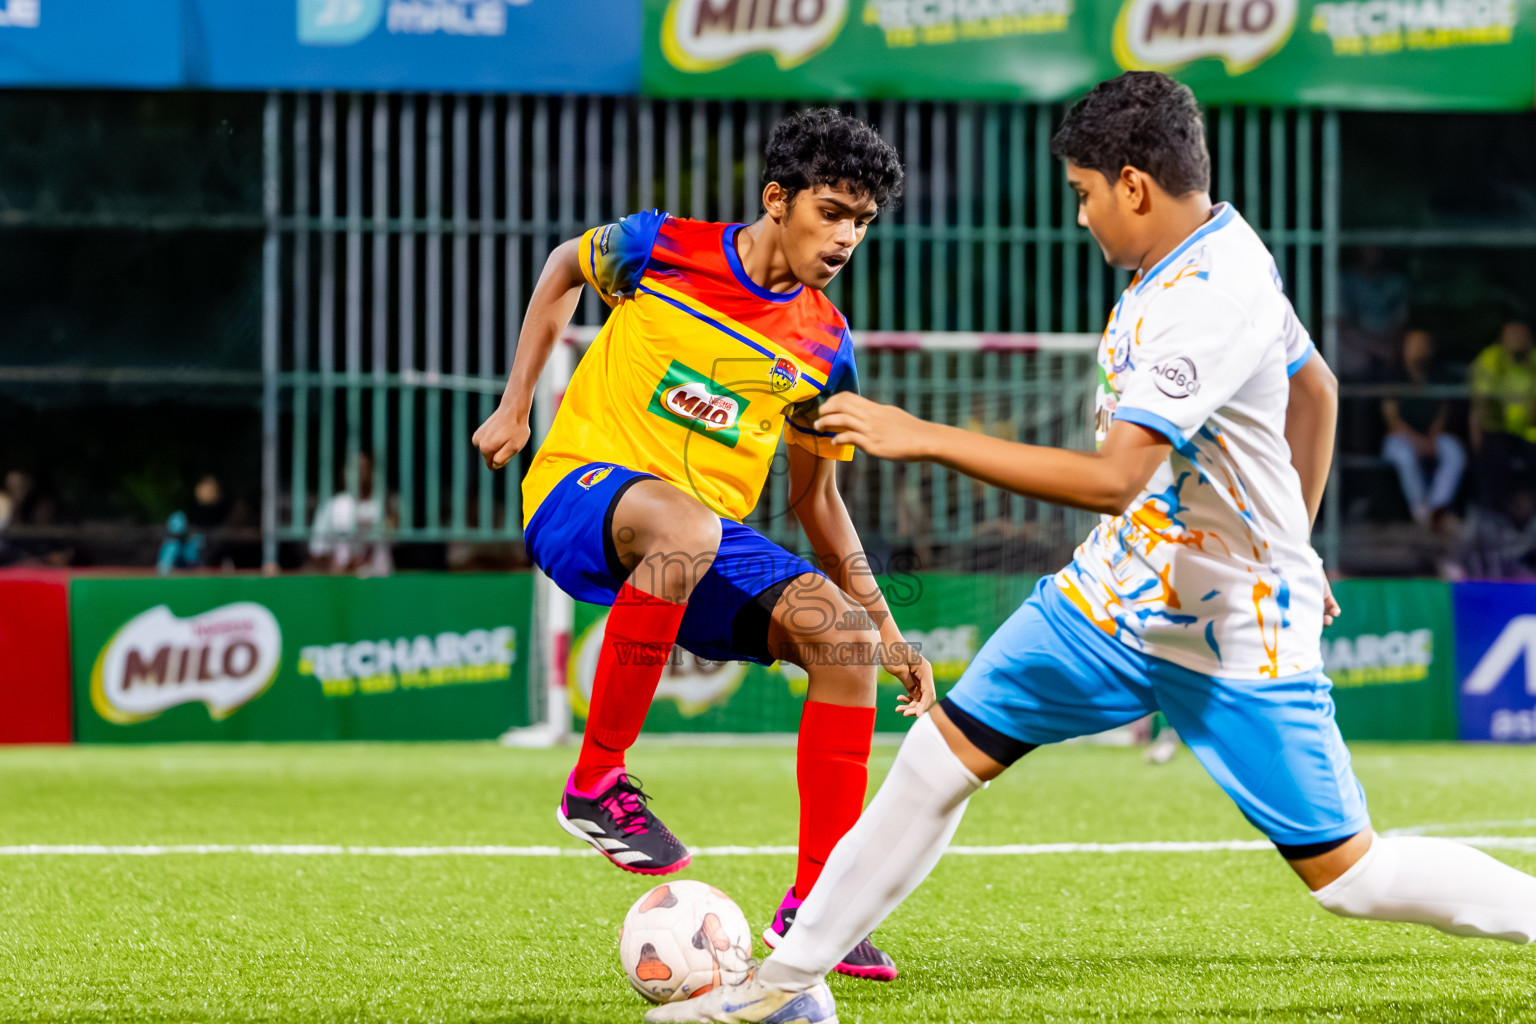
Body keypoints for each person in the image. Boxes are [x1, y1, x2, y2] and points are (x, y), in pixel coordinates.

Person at [646, 73, 1536, 1024]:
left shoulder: (1206, 296)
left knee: (1347, 875)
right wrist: (1300, 542)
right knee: (938, 759)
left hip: (1228, 622)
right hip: (1113, 595)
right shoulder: (1222, 244)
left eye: (1083, 194)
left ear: (1135, 187)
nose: (1080, 218)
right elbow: (1314, 389)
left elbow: (1114, 478)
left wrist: (924, 433)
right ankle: (779, 992)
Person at [471, 109, 933, 980]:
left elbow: (817, 499)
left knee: (842, 642)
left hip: (700, 544)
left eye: (863, 223)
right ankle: (596, 782)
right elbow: (564, 265)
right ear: (777, 198)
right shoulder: (660, 247)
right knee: (684, 524)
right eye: (831, 211)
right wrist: (516, 402)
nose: (846, 239)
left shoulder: (826, 345)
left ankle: (819, 909)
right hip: (581, 494)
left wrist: (886, 624)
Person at [1380, 329, 1465, 528]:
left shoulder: (1439, 375)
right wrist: (1417, 440)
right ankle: (1420, 511)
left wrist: (1431, 438)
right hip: (1400, 437)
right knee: (1405, 457)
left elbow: (1442, 413)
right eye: (1414, 345)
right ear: (1404, 349)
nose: (1420, 350)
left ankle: (1436, 507)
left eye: (1424, 344)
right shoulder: (1393, 375)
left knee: (1455, 452)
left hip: (1432, 436)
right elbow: (1392, 419)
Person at [1470, 320, 1536, 515]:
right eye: (1512, 335)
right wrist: (1476, 440)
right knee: (1492, 455)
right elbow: (1481, 405)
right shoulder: (1491, 359)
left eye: (1522, 335)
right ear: (1502, 340)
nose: (1517, 339)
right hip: (1497, 429)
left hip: (1529, 429)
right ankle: (1497, 511)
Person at [308, 452, 391, 576]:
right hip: (341, 583)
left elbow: (393, 536)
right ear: (344, 472)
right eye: (354, 467)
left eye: (363, 468)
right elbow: (317, 549)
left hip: (378, 581)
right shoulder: (332, 506)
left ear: (372, 472)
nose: (359, 473)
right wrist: (341, 565)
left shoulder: (381, 506)